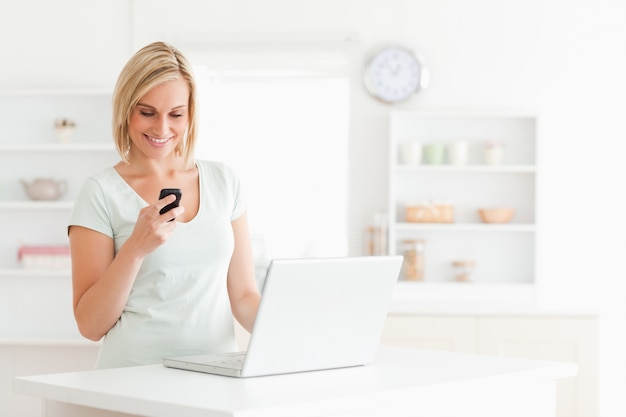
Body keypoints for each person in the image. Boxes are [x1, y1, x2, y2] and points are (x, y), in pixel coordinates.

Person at [68, 41, 261, 369]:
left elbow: (243, 297)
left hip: (215, 378)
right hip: (132, 379)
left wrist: (302, 336)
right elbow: (90, 325)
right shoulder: (100, 192)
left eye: (176, 114)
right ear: (126, 109)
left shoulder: (224, 181)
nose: (162, 129)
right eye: (147, 113)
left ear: (191, 113)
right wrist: (134, 249)